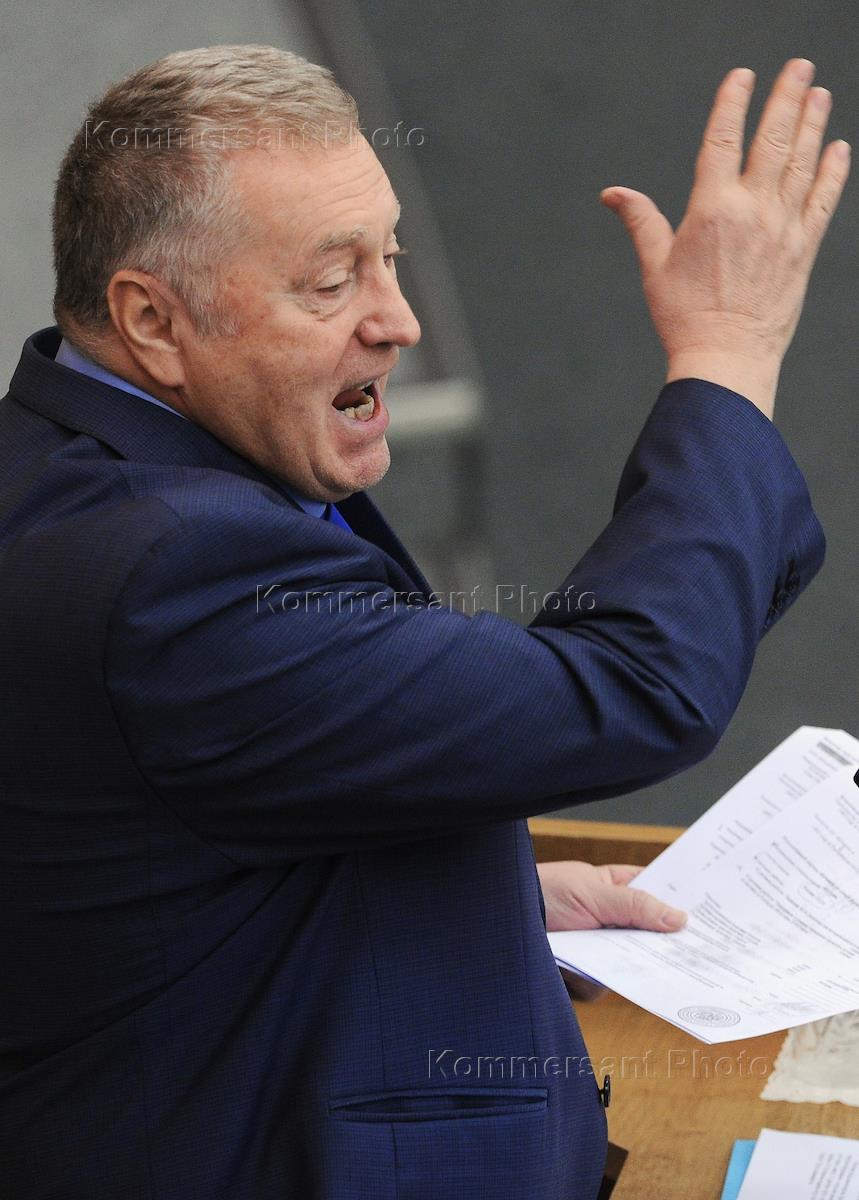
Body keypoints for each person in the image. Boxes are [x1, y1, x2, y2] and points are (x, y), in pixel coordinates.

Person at [0, 44, 847, 1200]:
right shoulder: (178, 572)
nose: (397, 321)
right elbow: (631, 689)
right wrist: (727, 352)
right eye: (330, 281)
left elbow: (154, 832)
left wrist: (487, 887)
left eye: (388, 257)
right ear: (151, 318)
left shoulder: (51, 460)